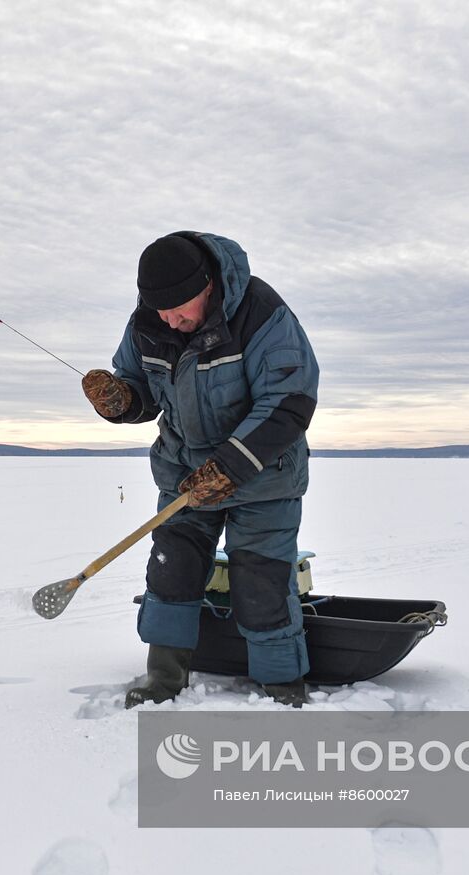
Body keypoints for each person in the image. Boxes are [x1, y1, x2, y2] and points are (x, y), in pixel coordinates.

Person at [82, 232, 319, 708]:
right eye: (161, 311)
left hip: (262, 475)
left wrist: (230, 466)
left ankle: (281, 685)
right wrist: (121, 400)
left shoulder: (261, 313)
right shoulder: (147, 323)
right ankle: (163, 680)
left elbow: (290, 401)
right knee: (172, 571)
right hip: (183, 475)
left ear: (208, 284)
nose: (170, 320)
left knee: (261, 581)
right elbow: (141, 389)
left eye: (178, 308)